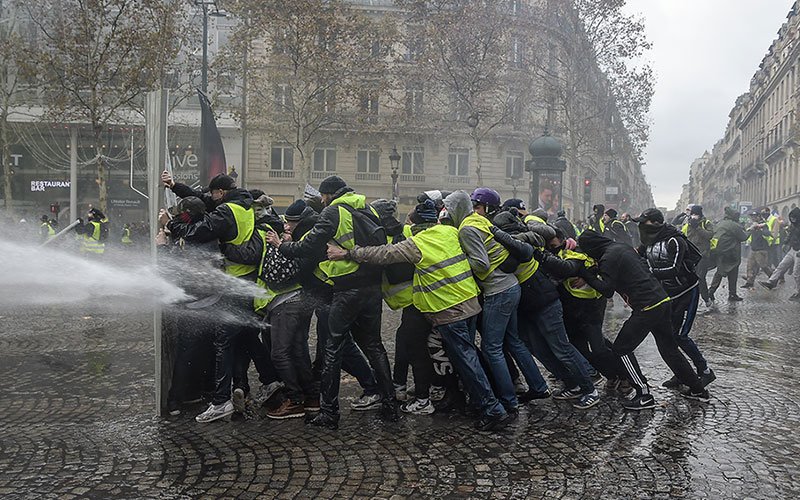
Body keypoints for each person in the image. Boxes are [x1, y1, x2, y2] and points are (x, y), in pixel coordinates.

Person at [327, 199, 514, 432]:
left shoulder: (419, 243)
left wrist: (347, 253)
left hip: (449, 309)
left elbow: (383, 254)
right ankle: (486, 402)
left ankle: (492, 409)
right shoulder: (449, 232)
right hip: (470, 303)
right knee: (466, 357)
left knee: (467, 361)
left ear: (415, 225)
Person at [270, 175, 397, 429]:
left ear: (327, 195)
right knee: (374, 347)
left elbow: (308, 247)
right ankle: (390, 404)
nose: (322, 200)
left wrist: (281, 245)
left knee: (332, 349)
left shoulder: (332, 212)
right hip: (372, 289)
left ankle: (329, 412)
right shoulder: (367, 207)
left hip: (347, 289)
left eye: (322, 196)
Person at [166, 173, 279, 423]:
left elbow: (197, 231)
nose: (211, 198)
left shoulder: (228, 211)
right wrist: (175, 187)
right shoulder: (246, 206)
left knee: (223, 343)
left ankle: (220, 402)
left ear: (221, 193)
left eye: (214, 194)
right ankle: (271, 381)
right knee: (248, 336)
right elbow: (199, 199)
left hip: (234, 285)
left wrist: (172, 225)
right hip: (246, 282)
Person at [577, 230, 710, 410]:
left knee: (621, 349)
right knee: (669, 350)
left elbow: (607, 290)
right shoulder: (620, 248)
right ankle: (698, 390)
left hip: (647, 307)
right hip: (662, 300)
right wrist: (595, 271)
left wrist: (585, 274)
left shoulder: (608, 257)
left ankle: (643, 393)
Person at [447, 188, 544, 416]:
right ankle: (539, 386)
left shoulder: (467, 228)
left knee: (491, 349)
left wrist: (458, 263)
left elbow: (480, 264)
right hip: (510, 285)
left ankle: (509, 400)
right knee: (514, 341)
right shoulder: (477, 220)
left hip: (498, 290)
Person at [282, 199, 382, 412]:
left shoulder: (311, 233)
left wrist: (284, 246)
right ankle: (372, 387)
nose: (287, 226)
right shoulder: (312, 227)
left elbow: (305, 266)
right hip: (330, 295)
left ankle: (371, 388)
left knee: (339, 347)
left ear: (299, 221)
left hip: (330, 296)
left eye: (290, 222)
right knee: (337, 347)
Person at [491, 211, 599, 409]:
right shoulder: (516, 239)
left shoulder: (521, 241)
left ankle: (589, 388)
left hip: (544, 300)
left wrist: (496, 233)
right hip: (528, 305)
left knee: (561, 348)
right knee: (539, 349)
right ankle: (572, 383)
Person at [635, 208, 715, 389]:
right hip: (668, 293)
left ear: (655, 223)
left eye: (644, 222)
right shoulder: (648, 241)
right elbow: (636, 255)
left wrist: (649, 273)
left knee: (680, 335)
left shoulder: (675, 241)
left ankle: (705, 371)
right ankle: (681, 372)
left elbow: (674, 269)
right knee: (669, 335)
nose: (641, 226)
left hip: (687, 292)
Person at [708, 207, 748, 303]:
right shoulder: (733, 225)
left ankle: (712, 291)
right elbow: (743, 237)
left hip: (720, 252)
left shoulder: (720, 223)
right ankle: (731, 293)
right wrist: (750, 230)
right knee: (732, 273)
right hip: (731, 253)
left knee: (720, 272)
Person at [760, 207, 800, 301]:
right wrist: (785, 243)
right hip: (793, 249)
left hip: (798, 251)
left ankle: (798, 292)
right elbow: (790, 234)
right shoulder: (794, 225)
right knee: (781, 266)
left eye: (794, 218)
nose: (793, 220)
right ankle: (771, 282)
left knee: (796, 273)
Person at [682, 205, 715, 308]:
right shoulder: (688, 224)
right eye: (693, 214)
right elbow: (683, 235)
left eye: (696, 214)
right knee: (689, 277)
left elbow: (709, 235)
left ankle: (705, 298)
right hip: (690, 255)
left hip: (702, 255)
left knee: (700, 277)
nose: (694, 216)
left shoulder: (706, 223)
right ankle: (689, 301)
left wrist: (698, 227)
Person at [742, 210, 775, 289]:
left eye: (754, 217)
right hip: (753, 248)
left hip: (761, 249)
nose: (753, 218)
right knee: (750, 266)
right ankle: (749, 282)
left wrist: (760, 228)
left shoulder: (764, 224)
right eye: (752, 217)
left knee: (763, 266)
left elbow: (767, 234)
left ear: (758, 217)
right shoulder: (753, 225)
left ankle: (773, 279)